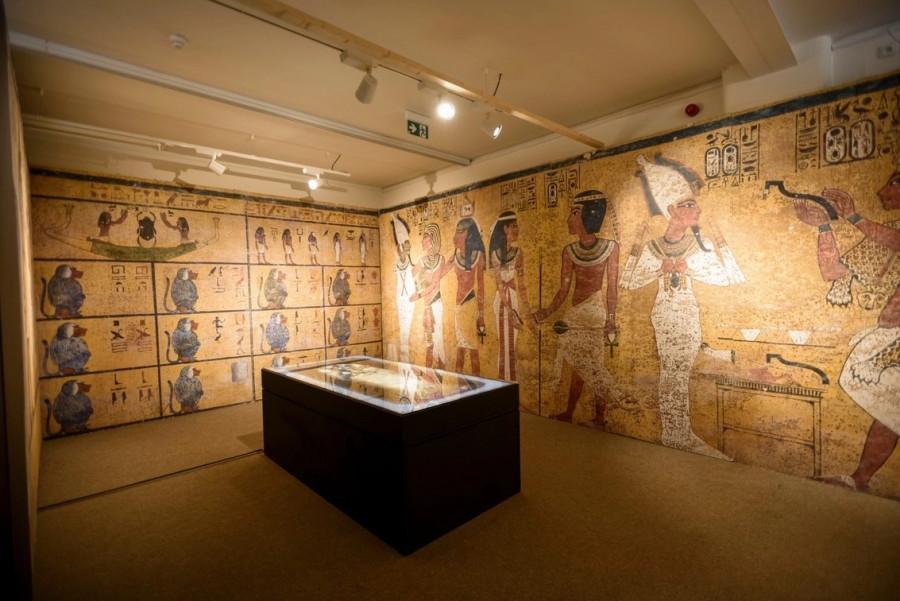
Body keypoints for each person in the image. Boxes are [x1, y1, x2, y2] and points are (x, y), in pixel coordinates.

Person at [621, 154, 743, 459]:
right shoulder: (653, 247)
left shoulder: (698, 246)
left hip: (688, 316)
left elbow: (729, 277)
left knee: (678, 373)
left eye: (694, 204)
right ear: (672, 211)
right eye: (688, 205)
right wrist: (657, 267)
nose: (696, 209)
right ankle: (676, 433)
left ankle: (677, 432)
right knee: (671, 373)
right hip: (664, 317)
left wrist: (694, 265)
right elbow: (628, 282)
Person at [792, 170, 900, 492]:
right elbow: (833, 270)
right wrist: (824, 226)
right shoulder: (887, 232)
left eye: (894, 182)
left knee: (889, 405)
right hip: (892, 333)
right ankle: (860, 479)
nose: (882, 190)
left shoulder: (889, 234)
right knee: (889, 407)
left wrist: (853, 216)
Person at [533, 190, 622, 426]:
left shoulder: (610, 247)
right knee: (580, 367)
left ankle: (599, 417)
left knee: (593, 366)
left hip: (595, 313)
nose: (568, 219)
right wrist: (547, 311)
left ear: (590, 214)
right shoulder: (569, 251)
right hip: (574, 316)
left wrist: (610, 319)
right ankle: (571, 413)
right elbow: (563, 290)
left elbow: (612, 287)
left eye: (574, 213)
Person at [488, 211, 533, 381]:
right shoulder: (495, 254)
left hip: (513, 298)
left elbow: (521, 285)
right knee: (503, 346)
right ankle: (503, 383)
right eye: (513, 226)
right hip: (502, 302)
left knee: (511, 346)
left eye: (517, 226)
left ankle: (511, 382)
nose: (517, 229)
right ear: (505, 228)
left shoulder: (519, 253)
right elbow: (499, 284)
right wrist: (509, 310)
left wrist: (527, 312)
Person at [409, 223, 448, 369]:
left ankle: (440, 376)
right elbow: (410, 275)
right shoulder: (422, 261)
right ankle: (429, 375)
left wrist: (418, 294)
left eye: (425, 236)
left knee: (438, 343)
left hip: (436, 304)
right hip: (426, 307)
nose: (422, 240)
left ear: (433, 239)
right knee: (428, 343)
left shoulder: (440, 259)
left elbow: (434, 284)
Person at [391, 215, 415, 362]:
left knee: (408, 325)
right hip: (400, 296)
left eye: (405, 245)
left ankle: (406, 355)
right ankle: (403, 356)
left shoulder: (410, 262)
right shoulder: (397, 262)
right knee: (402, 326)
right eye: (401, 246)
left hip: (409, 296)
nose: (403, 249)